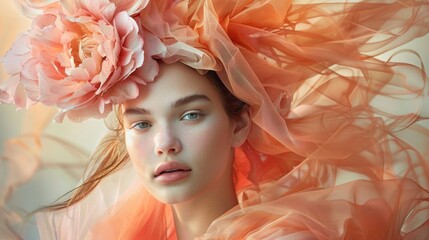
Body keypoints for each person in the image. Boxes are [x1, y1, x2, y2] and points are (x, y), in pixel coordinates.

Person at [1, 0, 429, 239]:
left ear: (239, 123)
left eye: (190, 114)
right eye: (141, 123)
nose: (165, 143)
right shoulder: (117, 232)